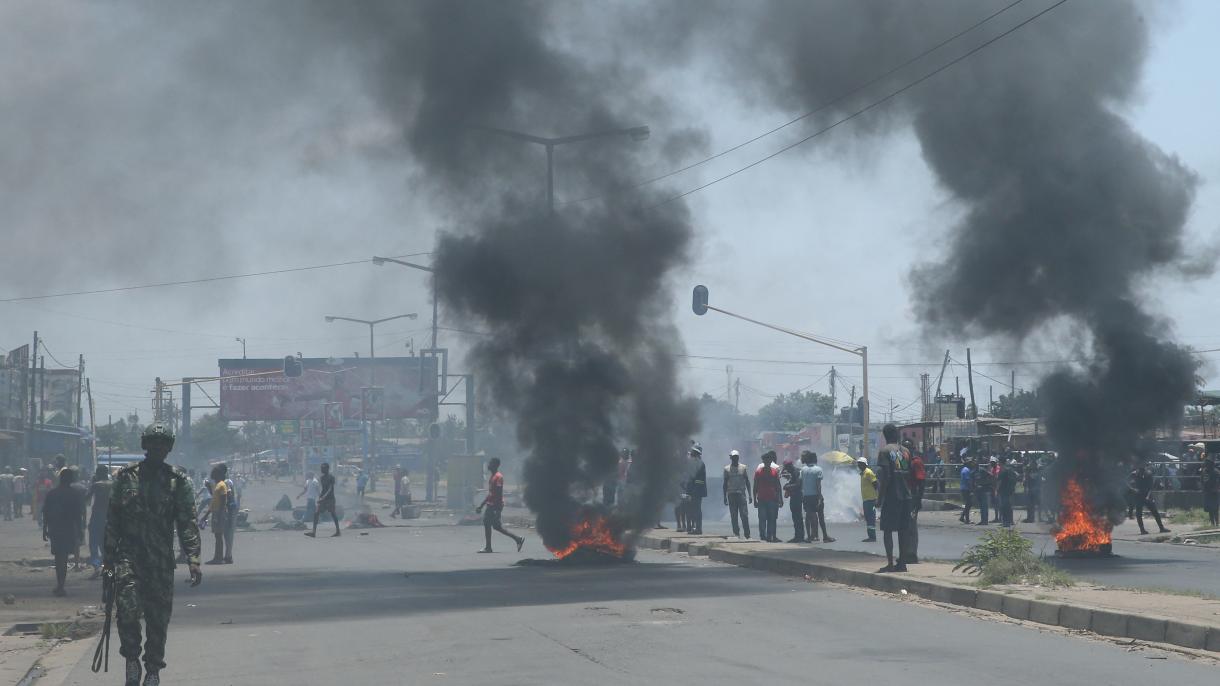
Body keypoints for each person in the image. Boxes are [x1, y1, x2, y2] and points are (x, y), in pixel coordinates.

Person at [104, 423, 202, 686]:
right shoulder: (125, 477)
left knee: (158, 619)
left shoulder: (178, 481)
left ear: (169, 448)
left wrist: (193, 558)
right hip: (128, 558)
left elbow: (187, 522)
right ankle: (132, 660)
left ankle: (153, 669)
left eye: (163, 443)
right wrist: (108, 558)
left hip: (160, 561)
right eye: (153, 442)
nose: (157, 447)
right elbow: (113, 518)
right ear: (145, 445)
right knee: (127, 611)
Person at [875, 424, 913, 572]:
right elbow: (907, 473)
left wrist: (880, 498)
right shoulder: (906, 451)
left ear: (885, 435)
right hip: (906, 496)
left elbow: (886, 476)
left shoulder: (884, 451)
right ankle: (902, 563)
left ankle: (890, 563)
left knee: (888, 530)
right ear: (897, 434)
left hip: (892, 496)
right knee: (903, 530)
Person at [43, 468, 84, 596]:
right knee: (64, 557)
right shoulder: (74, 494)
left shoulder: (52, 493)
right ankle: (61, 585)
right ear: (71, 479)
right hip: (68, 528)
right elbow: (78, 514)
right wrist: (80, 529)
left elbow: (46, 512)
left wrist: (45, 529)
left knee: (58, 557)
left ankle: (60, 585)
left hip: (55, 528)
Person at [475, 458, 524, 553]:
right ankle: (518, 539)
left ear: (495, 465)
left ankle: (488, 547)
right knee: (497, 526)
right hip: (492, 505)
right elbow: (490, 494)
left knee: (487, 522)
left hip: (494, 505)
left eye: (490, 463)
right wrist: (482, 505)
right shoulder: (493, 476)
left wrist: (497, 509)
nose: (488, 465)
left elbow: (497, 493)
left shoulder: (498, 477)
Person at [800, 451, 834, 543]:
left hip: (806, 496)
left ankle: (809, 536)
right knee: (821, 517)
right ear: (814, 459)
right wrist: (819, 497)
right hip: (815, 496)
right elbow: (818, 485)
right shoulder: (818, 469)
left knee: (808, 516)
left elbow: (801, 483)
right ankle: (825, 536)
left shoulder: (803, 470)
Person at [1128, 461, 1170, 535]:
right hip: (1138, 495)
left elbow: (1151, 487)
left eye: (1143, 468)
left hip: (1147, 495)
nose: (1141, 470)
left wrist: (1148, 496)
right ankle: (1142, 530)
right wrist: (1133, 489)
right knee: (1139, 514)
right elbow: (1126, 481)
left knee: (1155, 512)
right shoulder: (1134, 474)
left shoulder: (1148, 474)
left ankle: (1161, 528)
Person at [87, 465, 112, 577]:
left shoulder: (96, 485)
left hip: (97, 517)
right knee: (105, 544)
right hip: (109, 517)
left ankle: (96, 566)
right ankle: (106, 566)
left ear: (97, 474)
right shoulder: (113, 485)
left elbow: (86, 499)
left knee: (93, 542)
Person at [305, 462, 341, 538]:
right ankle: (313, 532)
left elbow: (330, 489)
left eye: (323, 468)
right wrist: (320, 496)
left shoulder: (331, 477)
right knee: (316, 513)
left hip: (330, 499)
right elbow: (323, 489)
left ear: (327, 469)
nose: (321, 469)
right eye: (321, 468)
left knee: (333, 514)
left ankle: (338, 531)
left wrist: (323, 497)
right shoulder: (321, 478)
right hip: (323, 499)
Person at [753, 451, 782, 542]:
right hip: (761, 499)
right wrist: (754, 499)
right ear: (763, 461)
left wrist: (780, 498)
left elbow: (778, 486)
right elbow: (755, 486)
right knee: (762, 518)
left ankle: (769, 536)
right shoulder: (758, 472)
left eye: (769, 460)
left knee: (771, 518)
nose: (767, 462)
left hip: (772, 499)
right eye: (765, 460)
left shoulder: (774, 472)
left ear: (770, 461)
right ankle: (763, 535)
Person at [723, 450, 751, 539]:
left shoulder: (743, 467)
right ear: (730, 458)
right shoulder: (727, 469)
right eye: (732, 457)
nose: (734, 459)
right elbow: (725, 483)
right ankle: (736, 534)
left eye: (736, 457)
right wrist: (724, 497)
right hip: (731, 495)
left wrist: (750, 495)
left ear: (738, 457)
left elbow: (747, 481)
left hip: (741, 494)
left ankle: (747, 534)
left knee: (744, 515)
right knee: (734, 516)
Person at [205, 465, 229, 564]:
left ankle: (218, 558)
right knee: (217, 536)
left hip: (219, 512)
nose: (212, 475)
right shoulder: (218, 485)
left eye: (214, 473)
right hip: (216, 512)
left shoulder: (222, 485)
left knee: (218, 536)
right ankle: (217, 557)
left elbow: (223, 501)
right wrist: (206, 515)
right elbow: (215, 500)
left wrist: (219, 515)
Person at [780, 458, 804, 542]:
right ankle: (798, 535)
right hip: (794, 496)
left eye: (786, 467)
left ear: (789, 466)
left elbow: (798, 484)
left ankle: (799, 536)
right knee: (795, 517)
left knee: (797, 517)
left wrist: (787, 486)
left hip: (797, 496)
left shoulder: (796, 472)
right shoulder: (793, 472)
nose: (786, 469)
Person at [685, 445, 707, 534]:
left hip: (697, 492)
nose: (691, 453)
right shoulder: (693, 463)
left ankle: (698, 529)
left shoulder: (700, 464)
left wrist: (692, 493)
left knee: (697, 510)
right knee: (692, 510)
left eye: (693, 452)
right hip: (692, 491)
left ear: (696, 453)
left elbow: (699, 481)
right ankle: (693, 528)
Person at [856, 457, 878, 542]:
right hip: (866, 499)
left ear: (865, 464)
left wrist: (876, 497)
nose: (858, 465)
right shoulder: (863, 473)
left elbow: (876, 484)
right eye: (858, 463)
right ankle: (870, 536)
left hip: (870, 499)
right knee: (868, 518)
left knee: (871, 518)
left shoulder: (868, 472)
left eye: (860, 463)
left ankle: (872, 537)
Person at [219, 464, 237, 564]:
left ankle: (228, 556)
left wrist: (224, 507)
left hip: (229, 510)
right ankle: (228, 555)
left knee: (228, 534)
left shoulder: (226, 482)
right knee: (228, 534)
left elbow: (229, 494)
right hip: (231, 509)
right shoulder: (228, 481)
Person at [997, 459, 1019, 527]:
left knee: (1004, 506)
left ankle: (1006, 522)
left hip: (1003, 491)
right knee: (1008, 506)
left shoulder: (1002, 470)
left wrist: (997, 490)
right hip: (1009, 490)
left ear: (1000, 463)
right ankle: (1010, 521)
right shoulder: (1010, 470)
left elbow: (999, 481)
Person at [973, 457, 995, 525]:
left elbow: (991, 476)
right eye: (973, 462)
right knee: (981, 507)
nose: (974, 463)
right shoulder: (974, 471)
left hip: (984, 490)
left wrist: (986, 484)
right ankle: (982, 520)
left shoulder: (982, 470)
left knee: (984, 506)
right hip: (978, 491)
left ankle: (985, 521)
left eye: (975, 462)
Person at [1200, 454, 1220, 527]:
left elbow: (1218, 481)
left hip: (1214, 492)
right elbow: (1202, 480)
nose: (1206, 464)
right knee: (1209, 509)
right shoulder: (1204, 471)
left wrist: (1216, 488)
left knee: (1215, 508)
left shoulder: (1216, 472)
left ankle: (1217, 523)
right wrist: (1203, 488)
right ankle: (1212, 523)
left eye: (1208, 463)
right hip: (1207, 492)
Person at [1022, 455, 1042, 523]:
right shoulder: (1029, 469)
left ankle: (1034, 518)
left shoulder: (1037, 470)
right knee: (1030, 505)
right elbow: (1026, 480)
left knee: (1033, 505)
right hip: (1031, 489)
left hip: (1034, 489)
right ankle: (1030, 518)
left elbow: (1037, 479)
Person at [959, 458, 974, 524]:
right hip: (966, 489)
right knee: (969, 504)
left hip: (963, 488)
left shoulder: (963, 469)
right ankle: (964, 518)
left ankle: (964, 518)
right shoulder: (967, 470)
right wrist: (971, 489)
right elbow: (968, 481)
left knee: (968, 504)